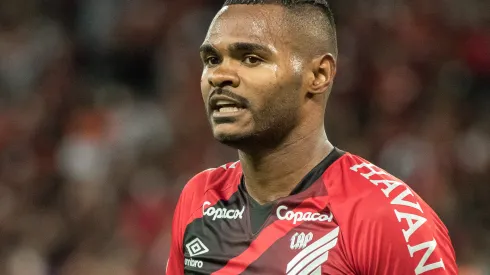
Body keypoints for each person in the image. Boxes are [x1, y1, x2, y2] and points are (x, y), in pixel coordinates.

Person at [167, 0, 458, 274]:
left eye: (251, 58)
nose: (220, 75)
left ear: (319, 74)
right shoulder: (200, 197)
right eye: (212, 59)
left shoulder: (386, 216)